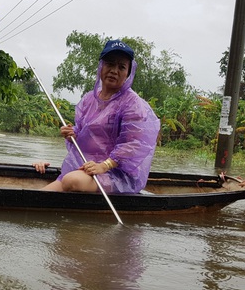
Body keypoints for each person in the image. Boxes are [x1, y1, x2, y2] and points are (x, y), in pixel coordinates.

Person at [33, 39, 160, 193]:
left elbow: (133, 145)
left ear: (128, 73)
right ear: (101, 66)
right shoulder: (88, 100)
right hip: (84, 168)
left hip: (116, 174)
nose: (114, 70)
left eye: (121, 67)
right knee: (40, 194)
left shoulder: (132, 104)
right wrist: (72, 134)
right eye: (110, 64)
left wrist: (103, 166)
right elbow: (83, 135)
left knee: (71, 181)